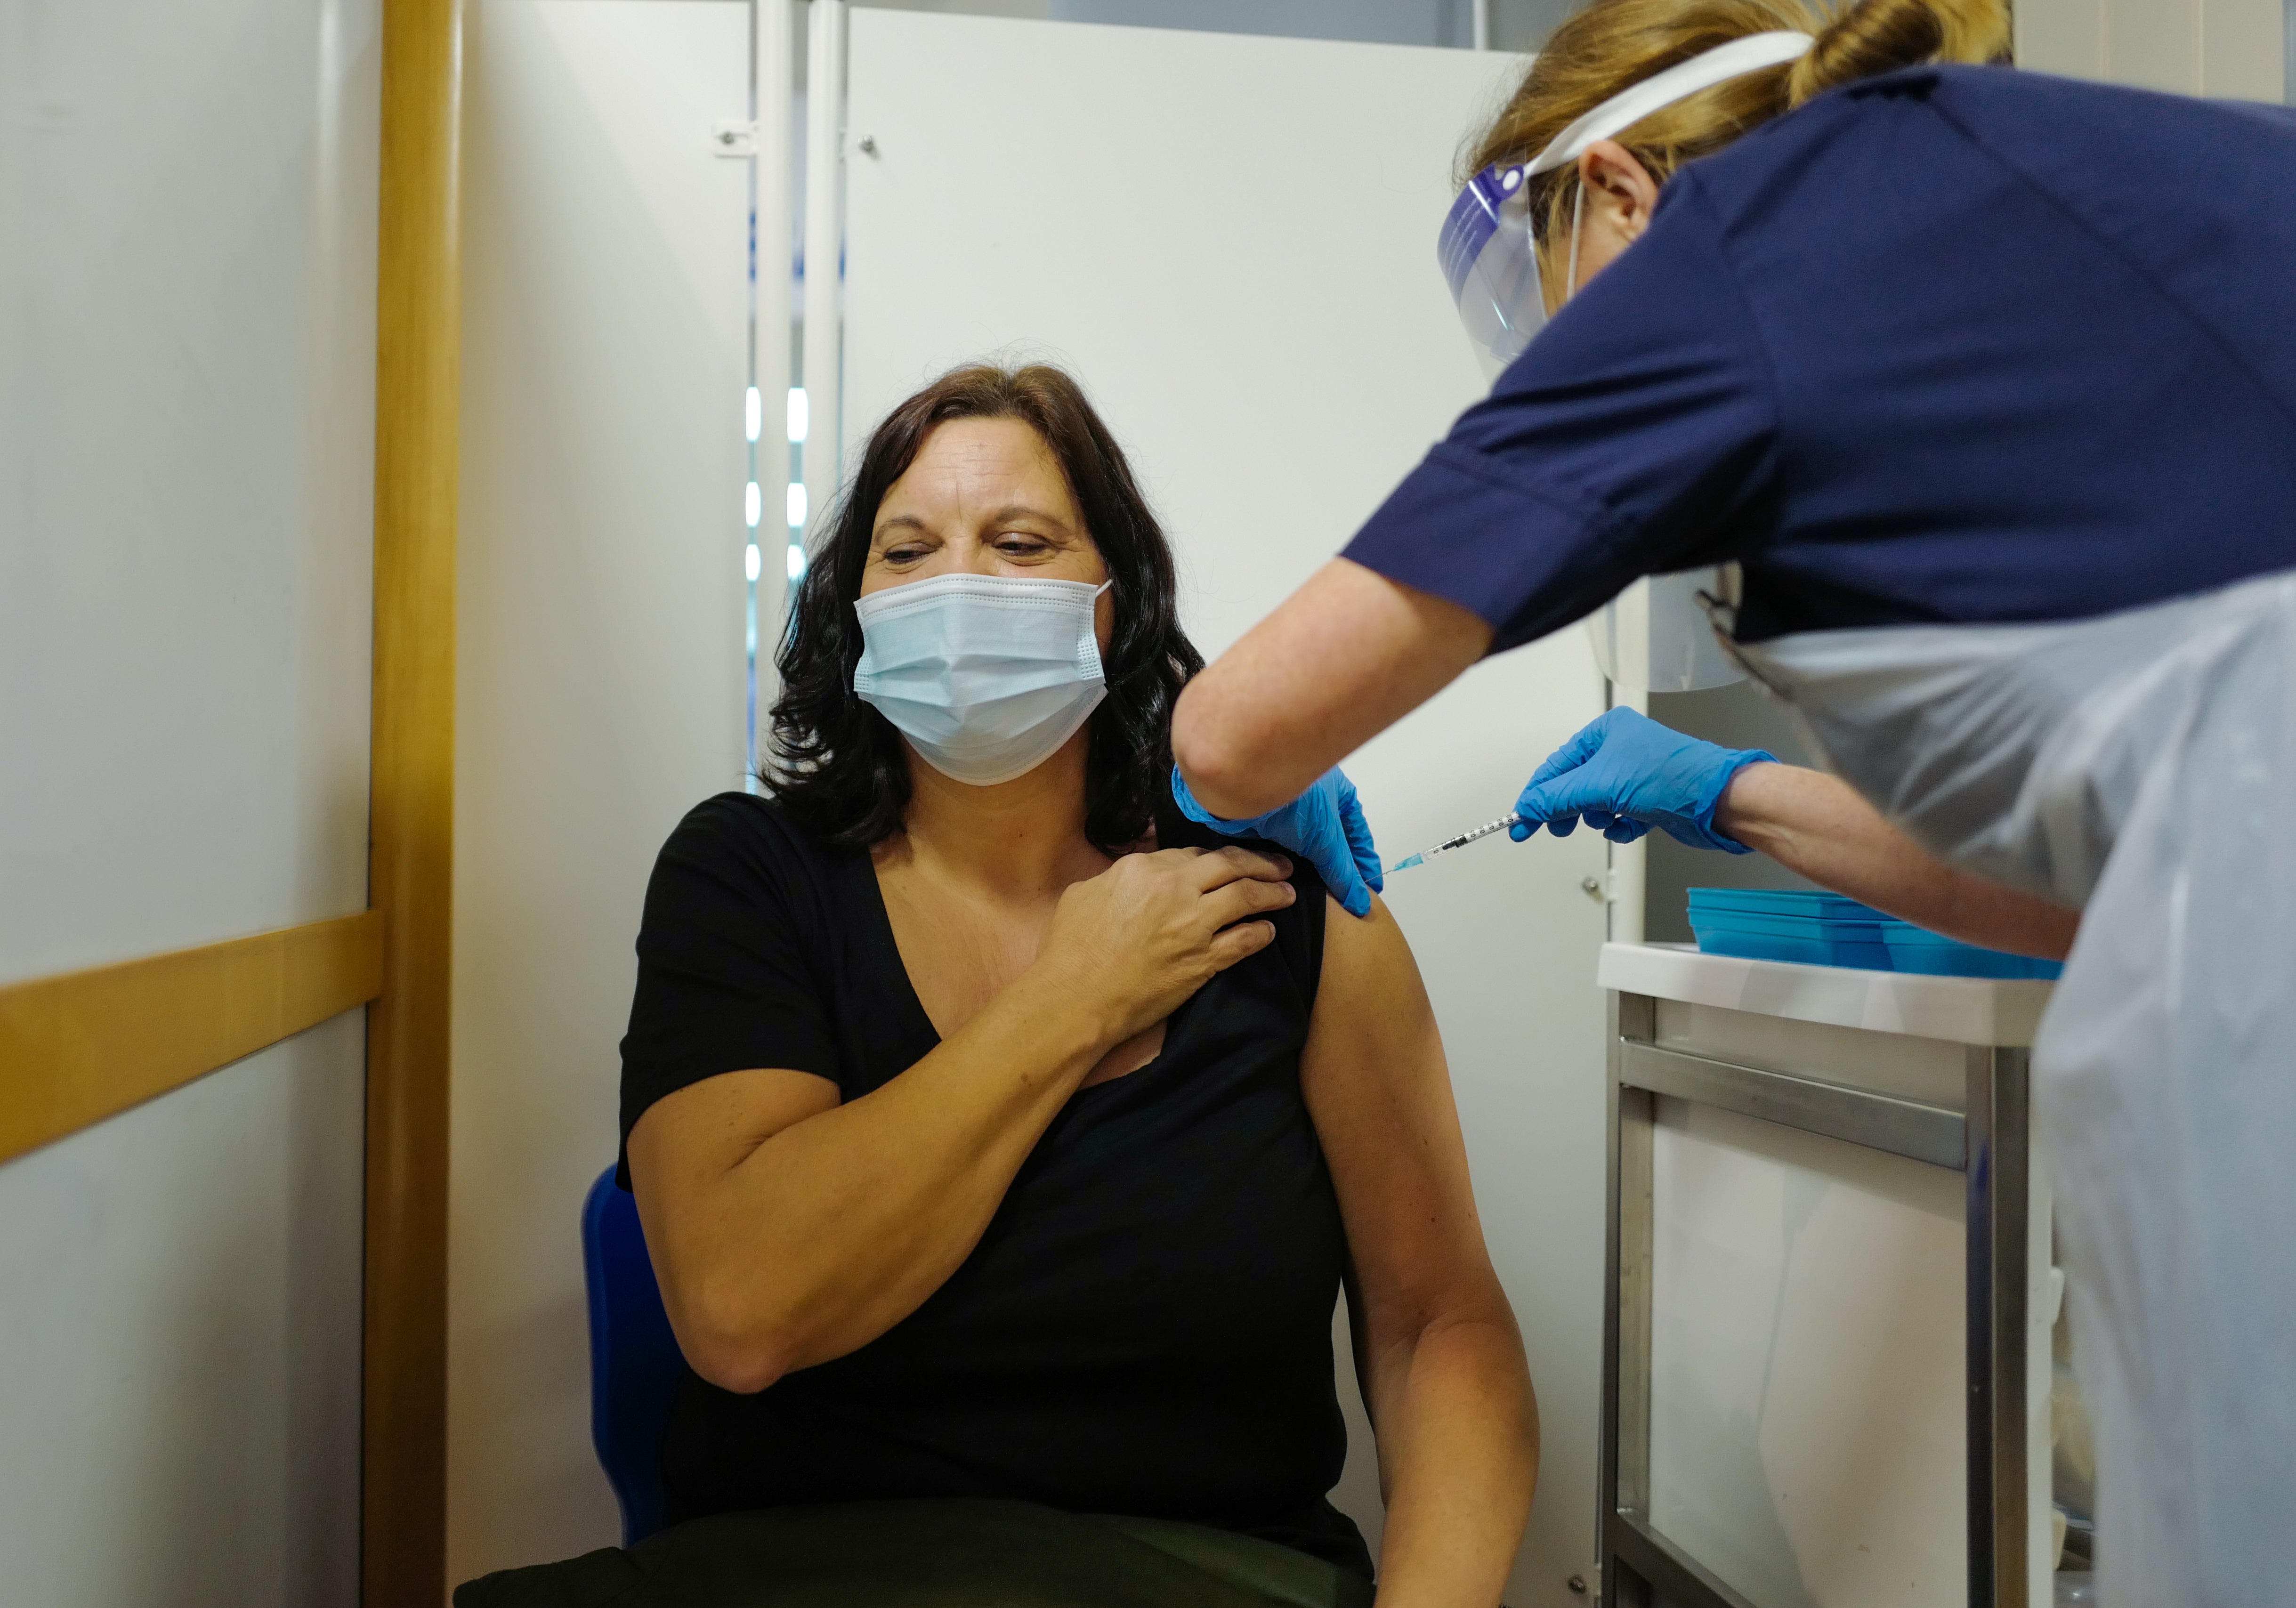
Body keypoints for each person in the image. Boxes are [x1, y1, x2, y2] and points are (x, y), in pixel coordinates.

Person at [1165, 1, 2296, 1603]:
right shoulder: (2034, 188)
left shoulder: (1736, 241)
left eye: (1527, 301)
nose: (1547, 365)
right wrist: (1731, 791)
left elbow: (1229, 733)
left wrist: (1238, 772)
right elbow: (2084, 887)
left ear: (1615, 190)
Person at [456, 365, 1535, 1608]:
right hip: (793, 1577)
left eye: (1019, 543)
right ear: (855, 608)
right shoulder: (746, 878)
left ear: (1109, 610)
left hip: (1195, 1576)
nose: (958, 586)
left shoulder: (1281, 911)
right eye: (907, 551)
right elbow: (741, 1313)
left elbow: (1438, 1327)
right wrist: (1076, 995)